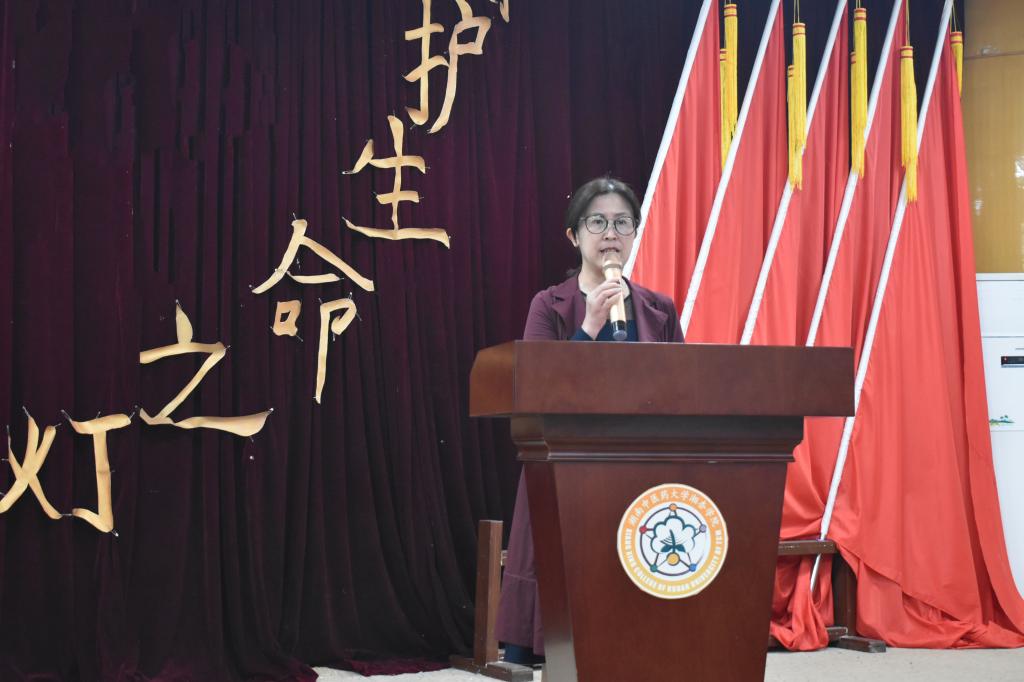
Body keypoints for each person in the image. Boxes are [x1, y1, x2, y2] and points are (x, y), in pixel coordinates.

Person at [494, 176, 684, 664]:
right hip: (563, 468)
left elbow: (683, 388)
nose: (611, 234)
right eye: (597, 222)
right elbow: (537, 390)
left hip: (640, 469)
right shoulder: (549, 305)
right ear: (574, 236)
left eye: (622, 223)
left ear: (635, 233)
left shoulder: (659, 309)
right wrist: (589, 328)